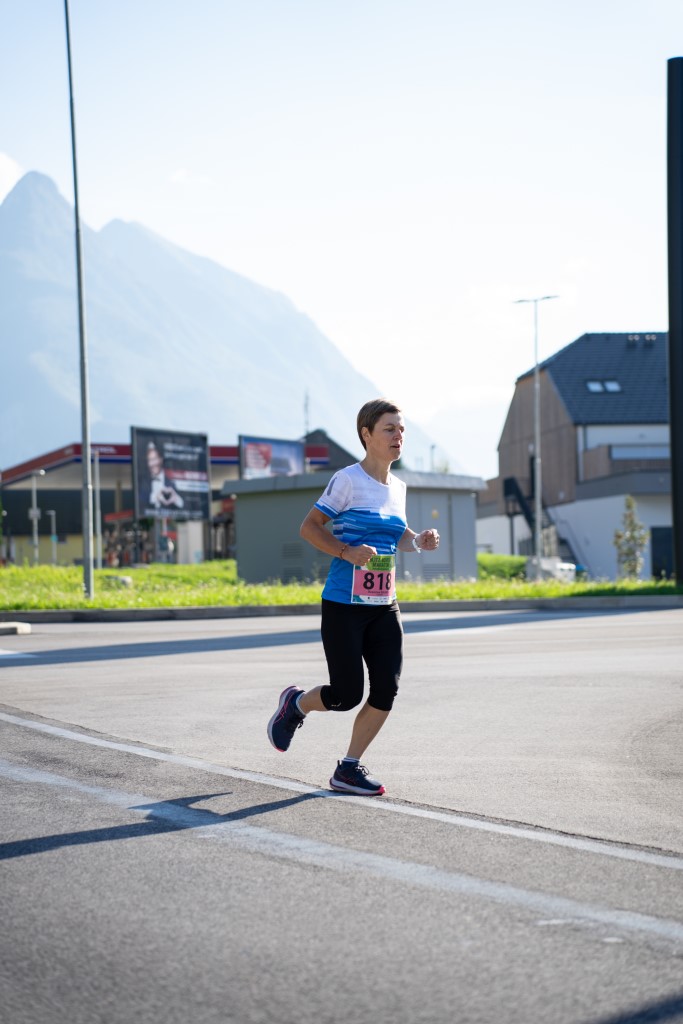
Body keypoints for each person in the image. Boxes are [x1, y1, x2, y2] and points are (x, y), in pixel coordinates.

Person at [267, 398, 439, 796]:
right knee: (346, 695)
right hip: (344, 605)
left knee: (386, 690)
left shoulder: (398, 487)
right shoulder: (347, 480)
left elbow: (395, 534)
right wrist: (346, 552)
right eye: (389, 429)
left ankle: (348, 768)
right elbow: (310, 527)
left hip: (384, 605)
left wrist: (419, 541)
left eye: (401, 429)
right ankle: (295, 705)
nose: (399, 436)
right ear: (367, 434)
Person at [145, 442, 184, 510]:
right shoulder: (143, 483)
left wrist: (176, 498)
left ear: (161, 459)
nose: (153, 463)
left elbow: (185, 505)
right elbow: (140, 504)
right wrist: (156, 497)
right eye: (150, 460)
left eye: (155, 459)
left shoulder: (171, 482)